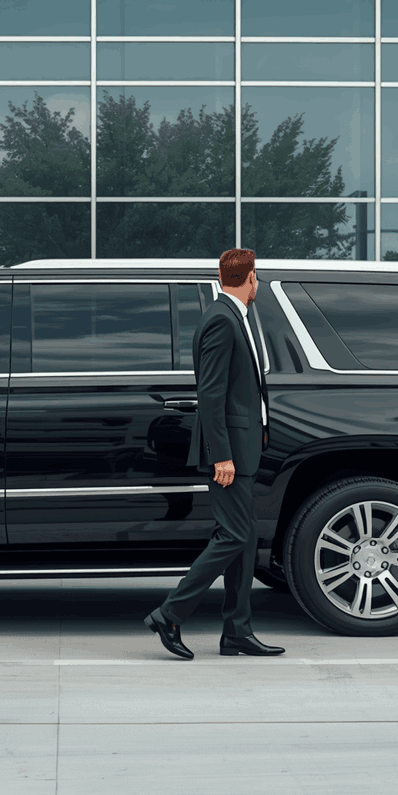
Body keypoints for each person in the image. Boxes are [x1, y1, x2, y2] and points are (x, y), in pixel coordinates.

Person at [144, 249, 284, 659]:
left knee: (244, 539)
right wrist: (221, 455)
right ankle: (169, 615)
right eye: (257, 276)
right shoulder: (221, 319)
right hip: (229, 455)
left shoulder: (234, 316)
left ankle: (237, 631)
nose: (258, 283)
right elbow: (210, 393)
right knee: (233, 535)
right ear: (249, 277)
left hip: (242, 449)